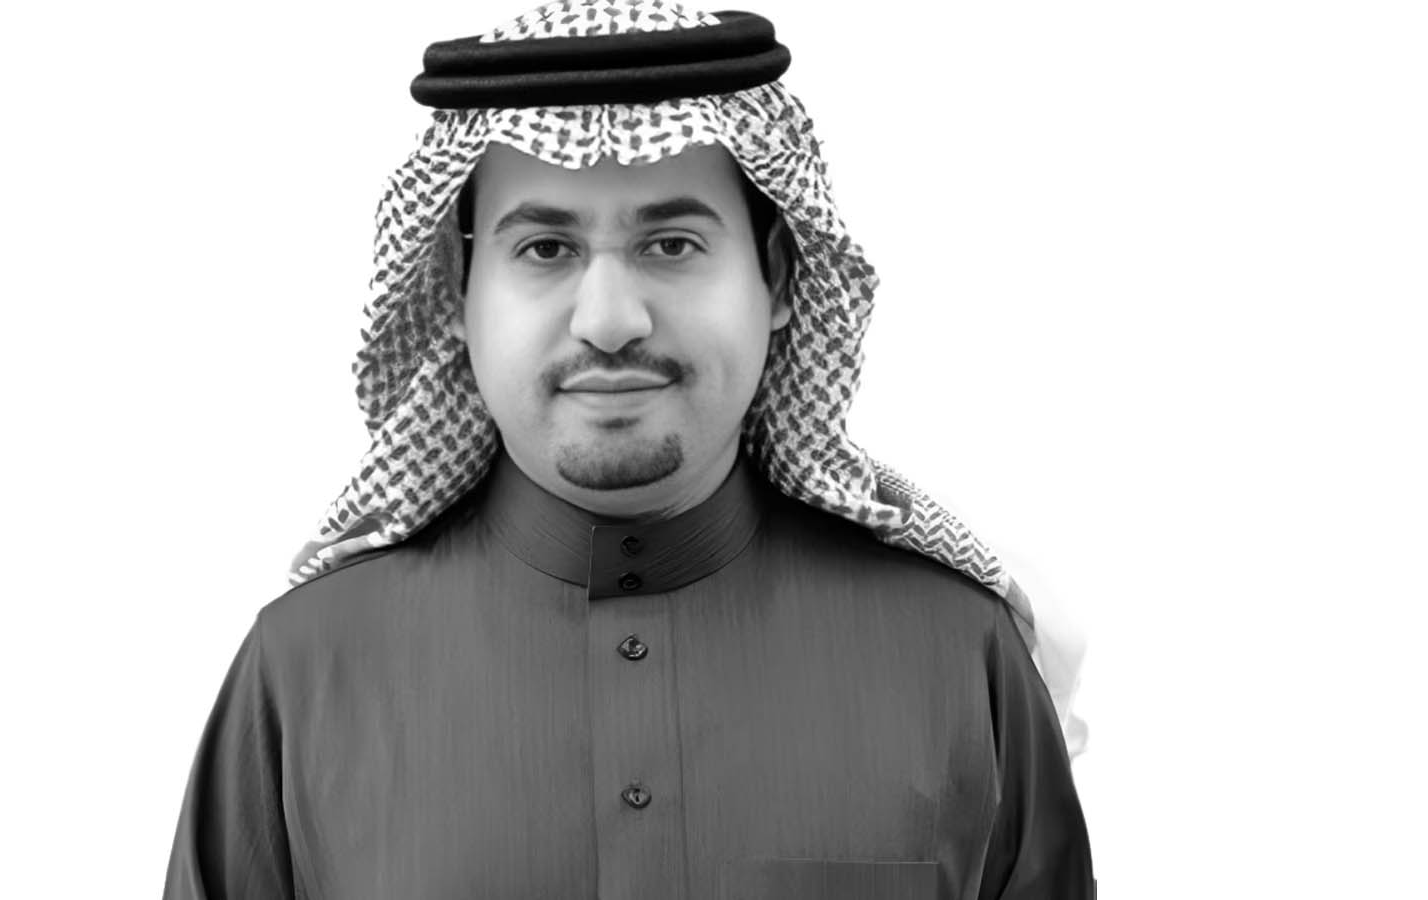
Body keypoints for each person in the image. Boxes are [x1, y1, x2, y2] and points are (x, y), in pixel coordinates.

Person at [163, 2, 1095, 897]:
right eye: (545, 249)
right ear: (456, 287)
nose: (609, 321)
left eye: (672, 244)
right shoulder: (303, 672)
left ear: (776, 276)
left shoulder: (960, 656)